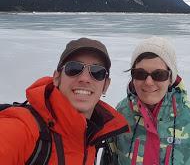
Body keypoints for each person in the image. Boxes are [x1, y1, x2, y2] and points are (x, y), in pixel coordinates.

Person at [0, 37, 129, 164]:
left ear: (105, 85)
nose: (85, 78)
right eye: (74, 68)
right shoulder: (23, 128)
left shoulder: (94, 134)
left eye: (97, 72)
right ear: (56, 77)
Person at [103, 36, 190, 165]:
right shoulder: (120, 114)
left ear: (170, 79)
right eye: (140, 74)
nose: (149, 82)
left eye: (159, 75)